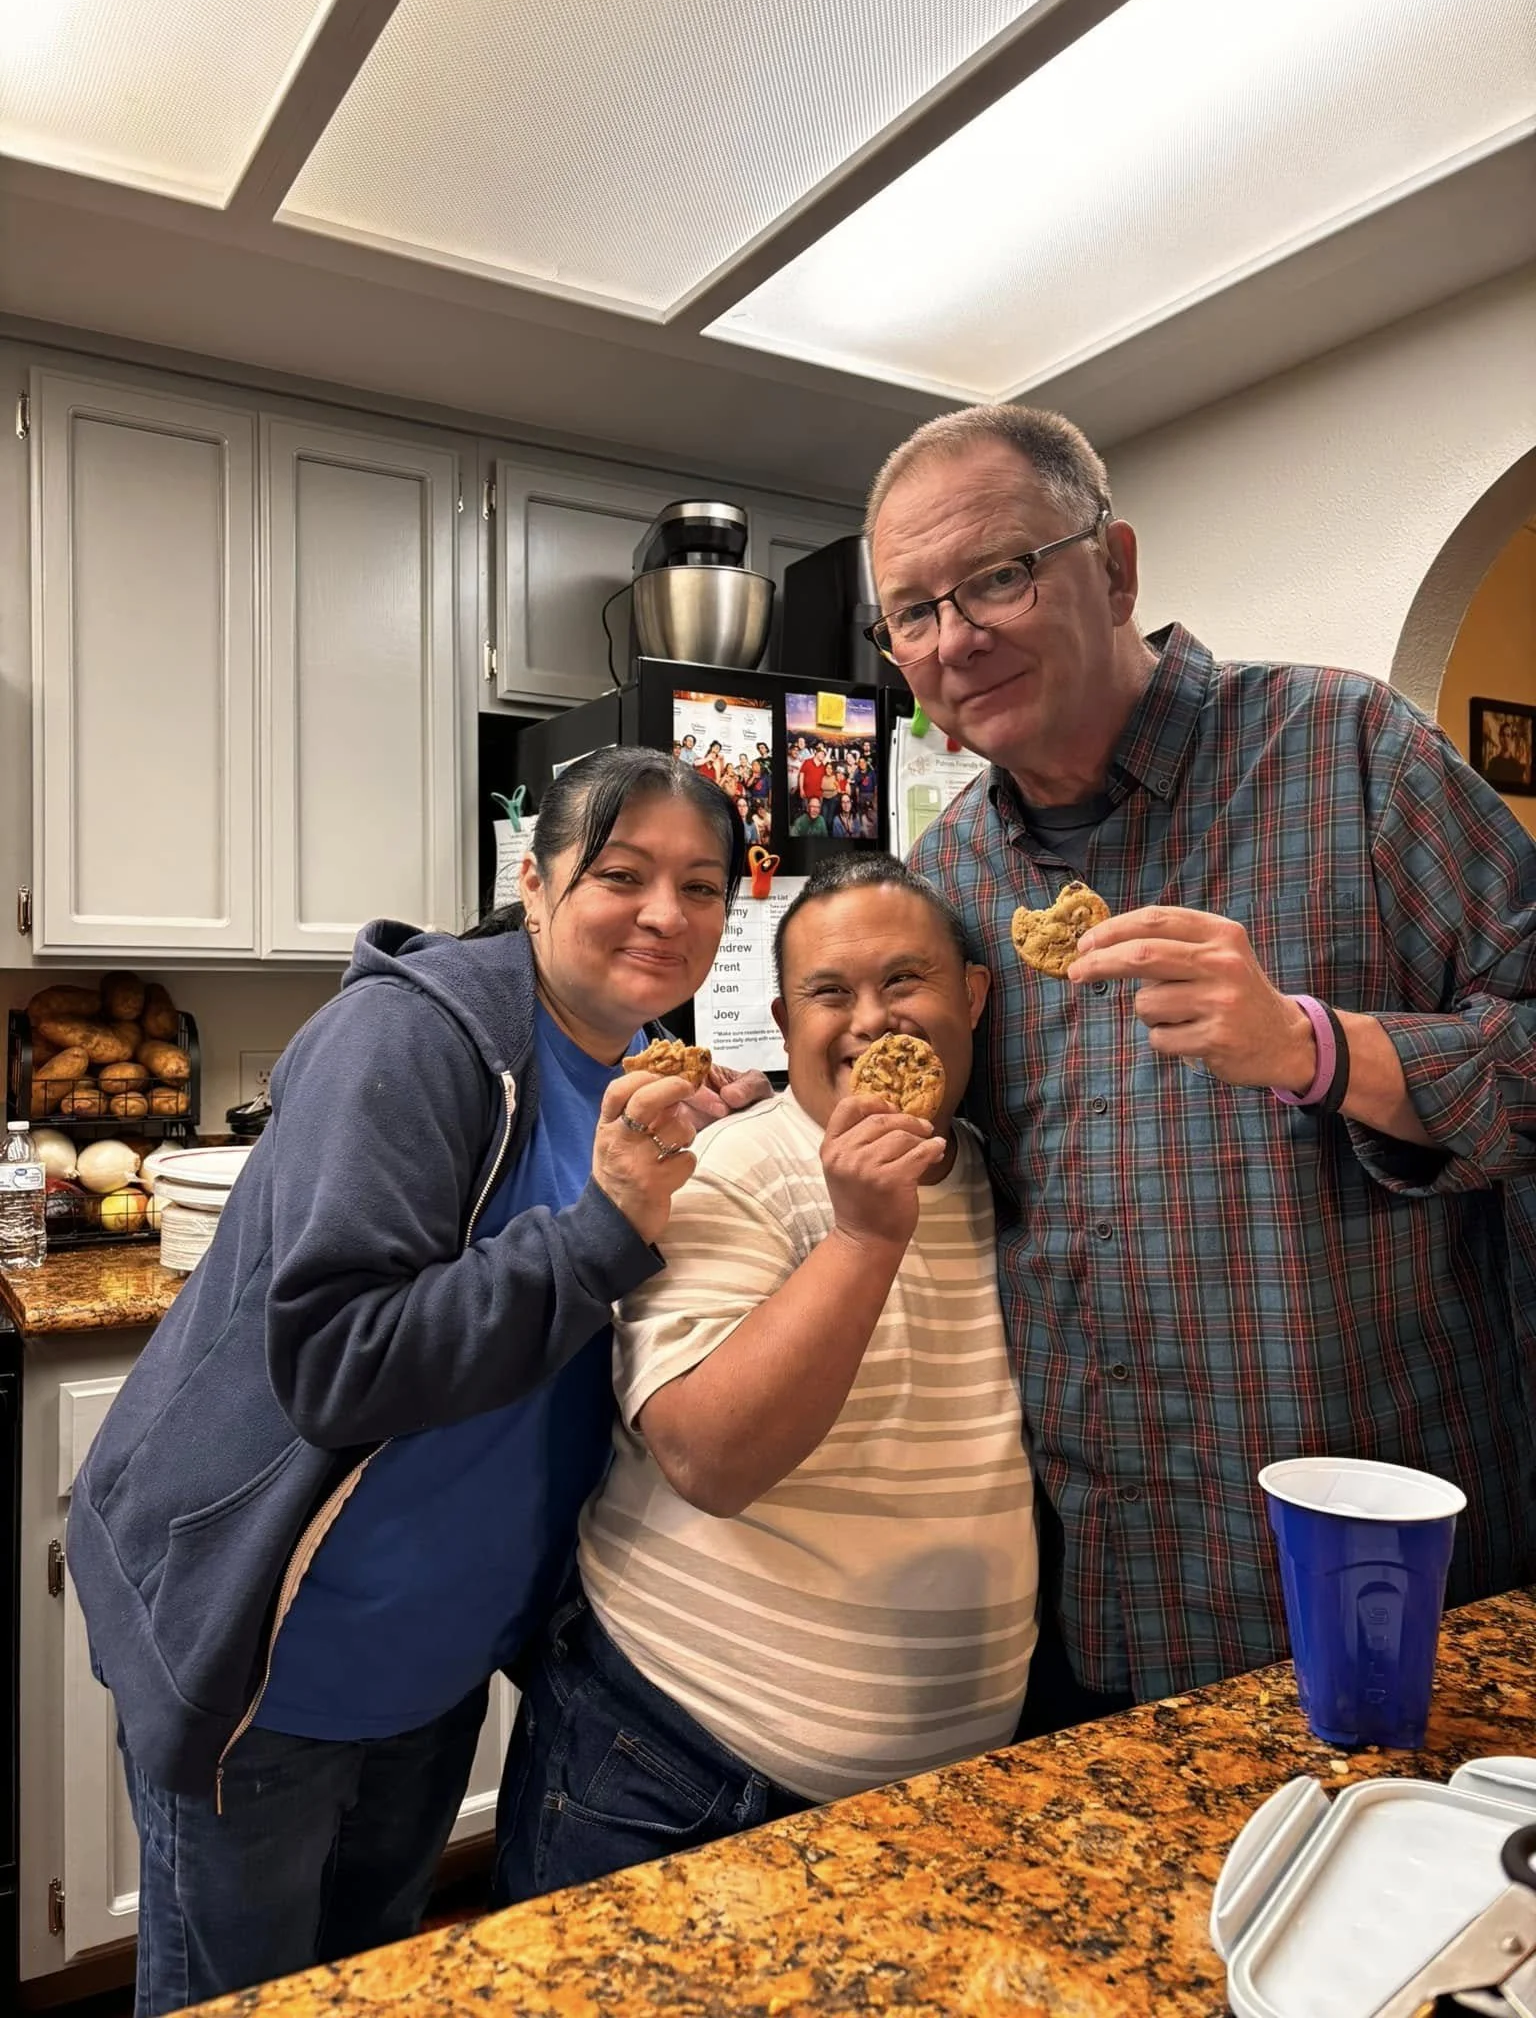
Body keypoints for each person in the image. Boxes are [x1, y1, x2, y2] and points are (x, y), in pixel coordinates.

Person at [864, 402, 1536, 1734]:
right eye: (913, 613)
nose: (956, 639)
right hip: (1096, 1586)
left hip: (1380, 1574)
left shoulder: (1350, 754)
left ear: (1112, 567)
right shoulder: (947, 880)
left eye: (996, 576)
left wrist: (1321, 1048)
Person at [67, 749, 751, 2015]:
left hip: (436, 1661)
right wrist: (608, 1225)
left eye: (702, 885)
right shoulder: (417, 1037)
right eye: (622, 873)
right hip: (274, 1659)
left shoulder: (654, 1073)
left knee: (376, 1974)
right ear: (536, 887)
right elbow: (343, 1360)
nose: (666, 912)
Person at [494, 854, 1036, 1903]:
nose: (873, 1022)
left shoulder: (1001, 1177)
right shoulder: (731, 1170)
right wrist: (865, 1236)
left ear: (973, 994)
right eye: (832, 994)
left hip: (942, 1804)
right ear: (787, 1024)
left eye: (905, 981)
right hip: (678, 1780)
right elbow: (710, 1452)